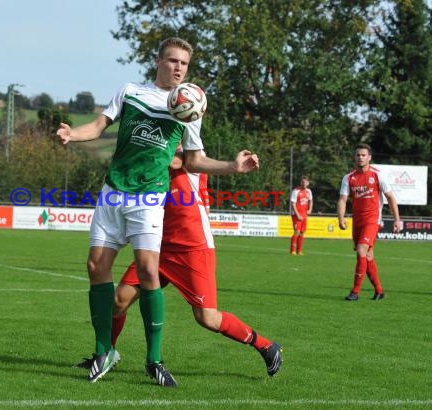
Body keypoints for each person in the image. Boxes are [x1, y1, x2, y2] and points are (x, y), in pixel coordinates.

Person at [56, 37, 259, 386]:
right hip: (114, 191)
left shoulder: (190, 108)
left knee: (149, 271)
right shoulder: (131, 91)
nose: (178, 67)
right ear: (159, 61)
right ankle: (104, 351)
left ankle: (155, 359)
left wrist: (232, 166)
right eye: (172, 61)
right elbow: (99, 125)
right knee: (95, 266)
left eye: (183, 63)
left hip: (149, 197)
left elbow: (194, 161)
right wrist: (72, 134)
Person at [337, 143, 402, 301]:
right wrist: (341, 218)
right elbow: (342, 200)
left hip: (372, 220)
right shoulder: (349, 177)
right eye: (358, 155)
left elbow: (391, 198)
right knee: (368, 255)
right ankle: (379, 291)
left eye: (363, 155)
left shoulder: (377, 175)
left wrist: (396, 220)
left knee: (361, 250)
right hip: (357, 221)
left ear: (369, 157)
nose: (360, 157)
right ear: (354, 157)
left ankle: (355, 292)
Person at [289, 176, 313, 255]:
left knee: (302, 232)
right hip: (296, 215)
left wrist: (309, 210)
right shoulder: (296, 191)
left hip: (304, 215)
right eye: (302, 182)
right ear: (300, 183)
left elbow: (310, 201)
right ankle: (292, 250)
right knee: (297, 231)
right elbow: (293, 204)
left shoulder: (309, 191)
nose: (304, 184)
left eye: (305, 182)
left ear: (308, 183)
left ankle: (299, 251)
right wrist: (297, 214)